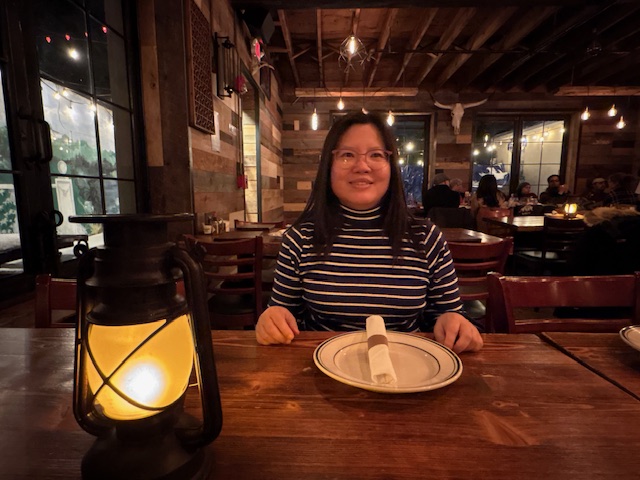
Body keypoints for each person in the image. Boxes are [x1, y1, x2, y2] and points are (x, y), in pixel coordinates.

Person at [256, 112, 482, 353]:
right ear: (328, 166)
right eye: (347, 155)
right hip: (321, 365)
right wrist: (273, 319)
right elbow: (285, 313)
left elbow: (447, 313)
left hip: (410, 365)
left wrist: (453, 322)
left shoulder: (427, 237)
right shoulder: (299, 238)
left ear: (391, 166)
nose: (362, 166)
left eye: (375, 155)